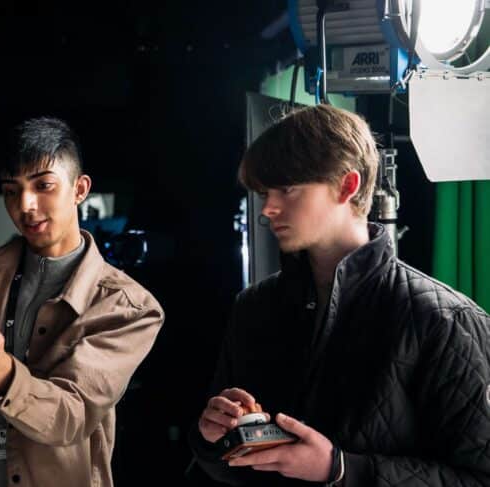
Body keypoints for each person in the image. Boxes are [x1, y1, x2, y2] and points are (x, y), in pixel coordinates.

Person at [192, 104, 490, 486]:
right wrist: (214, 438)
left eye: (287, 189)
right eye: (265, 192)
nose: (268, 208)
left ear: (347, 186)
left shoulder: (445, 320)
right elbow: (228, 468)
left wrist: (341, 469)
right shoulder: (254, 307)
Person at [0, 117, 164, 487]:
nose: (25, 205)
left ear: (79, 189)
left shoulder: (129, 307)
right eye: (11, 191)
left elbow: (71, 415)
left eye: (43, 185)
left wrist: (0, 372)